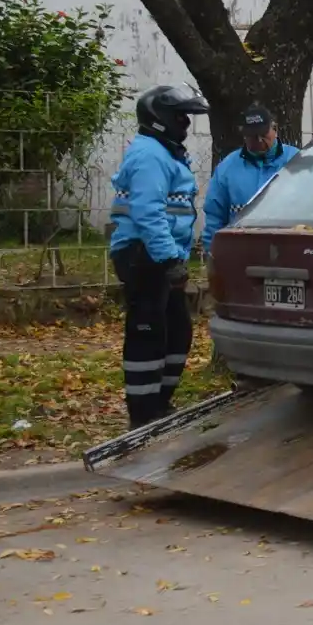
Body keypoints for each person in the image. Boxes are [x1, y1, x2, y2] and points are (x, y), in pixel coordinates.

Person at [109, 83, 210, 430]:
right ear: (161, 118)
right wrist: (170, 260)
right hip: (143, 255)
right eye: (181, 116)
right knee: (148, 333)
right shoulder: (150, 155)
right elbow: (148, 213)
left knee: (177, 331)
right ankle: (143, 414)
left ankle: (160, 406)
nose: (186, 122)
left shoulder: (165, 154)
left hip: (159, 255)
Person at [200, 103, 297, 258]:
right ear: (244, 135)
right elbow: (215, 215)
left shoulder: (297, 161)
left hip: (289, 251)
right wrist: (213, 251)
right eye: (252, 136)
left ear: (275, 129)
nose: (259, 140)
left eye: (263, 134)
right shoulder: (228, 168)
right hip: (241, 255)